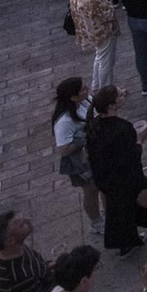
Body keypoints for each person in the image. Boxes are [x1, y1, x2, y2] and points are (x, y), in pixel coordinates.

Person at [83, 85, 147, 255]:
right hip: (126, 180)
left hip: (106, 181)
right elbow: (131, 158)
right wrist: (140, 141)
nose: (123, 95)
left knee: (120, 208)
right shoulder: (122, 128)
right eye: (119, 95)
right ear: (112, 105)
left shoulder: (95, 124)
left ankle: (126, 242)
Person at [52, 77, 102, 228]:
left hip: (95, 152)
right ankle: (97, 222)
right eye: (82, 89)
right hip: (81, 161)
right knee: (91, 190)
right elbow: (63, 149)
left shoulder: (86, 102)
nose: (87, 90)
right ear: (73, 96)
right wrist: (82, 139)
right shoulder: (64, 121)